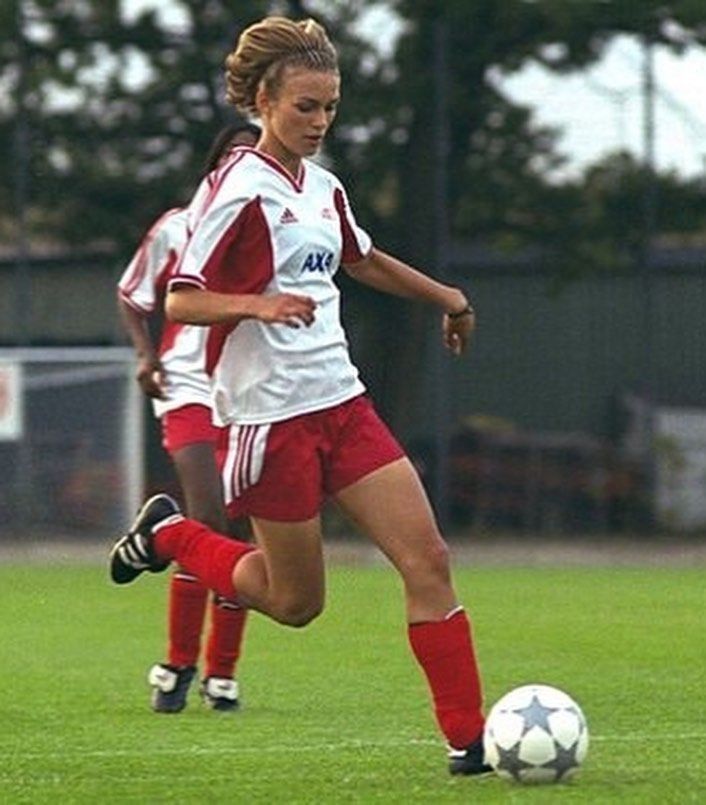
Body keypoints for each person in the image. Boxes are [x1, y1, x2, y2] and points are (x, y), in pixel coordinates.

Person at [110, 16, 490, 775]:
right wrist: (256, 305)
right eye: (305, 107)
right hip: (268, 420)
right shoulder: (234, 189)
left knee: (429, 561)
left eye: (330, 107)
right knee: (294, 603)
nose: (319, 123)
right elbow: (182, 301)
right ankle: (172, 536)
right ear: (262, 101)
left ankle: (470, 743)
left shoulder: (322, 186)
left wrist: (446, 295)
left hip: (342, 405)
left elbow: (364, 257)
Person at [116, 120, 261, 713]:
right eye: (233, 155)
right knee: (207, 518)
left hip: (250, 388)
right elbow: (133, 295)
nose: (245, 165)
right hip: (188, 382)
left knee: (243, 531)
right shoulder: (180, 226)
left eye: (253, 156)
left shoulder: (276, 228)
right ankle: (178, 664)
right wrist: (146, 354)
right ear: (213, 164)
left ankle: (220, 672)